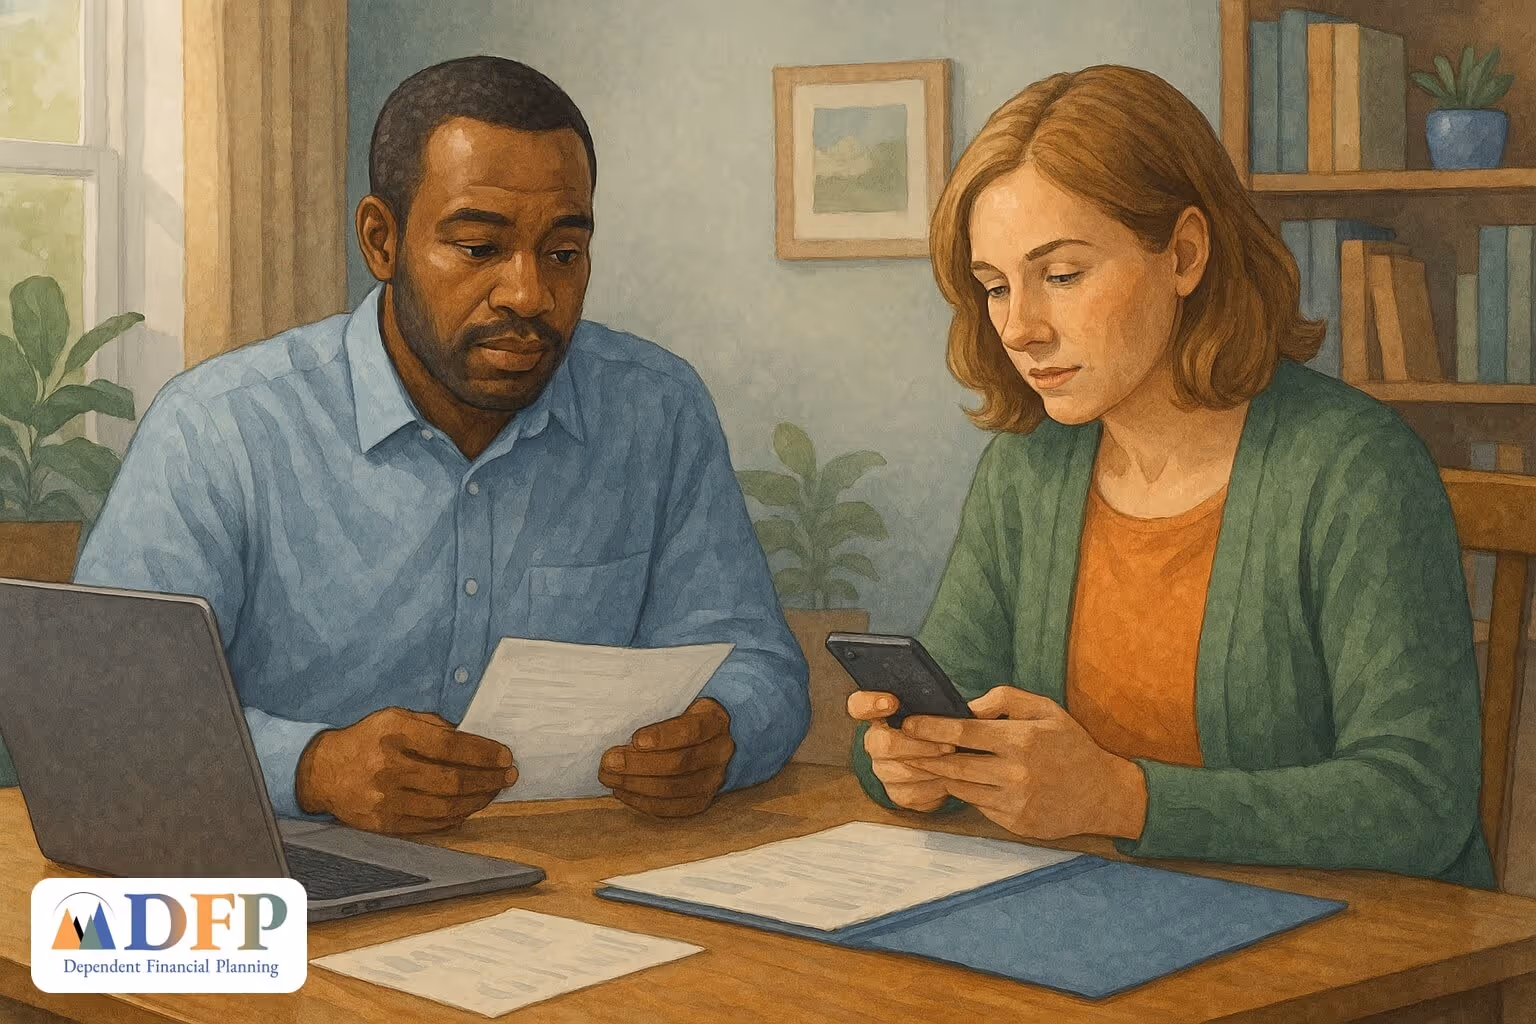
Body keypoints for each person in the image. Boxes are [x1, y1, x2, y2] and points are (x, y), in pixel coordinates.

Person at [75, 56, 808, 834]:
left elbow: (760, 666)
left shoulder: (657, 410)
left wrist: (720, 734)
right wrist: (314, 769)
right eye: (478, 249)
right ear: (381, 241)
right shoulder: (218, 428)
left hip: (577, 885)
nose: (528, 293)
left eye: (563, 254)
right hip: (291, 892)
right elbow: (105, 714)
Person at [847, 66, 1493, 888]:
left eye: (1063, 274)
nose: (1019, 328)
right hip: (1094, 919)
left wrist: (1124, 800)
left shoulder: (1353, 466)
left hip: (1347, 953)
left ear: (1184, 254)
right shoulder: (1028, 471)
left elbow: (1419, 801)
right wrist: (909, 765)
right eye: (996, 287)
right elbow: (947, 701)